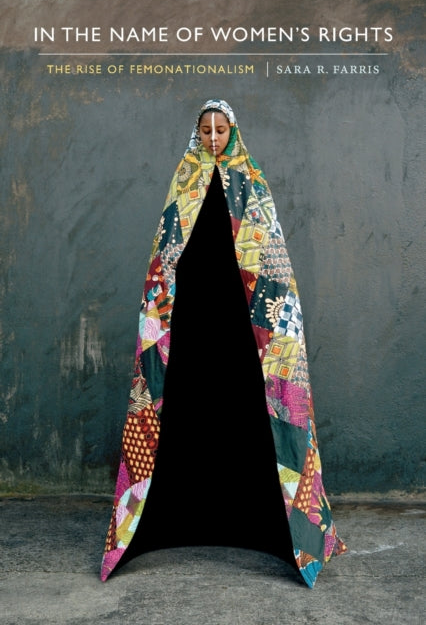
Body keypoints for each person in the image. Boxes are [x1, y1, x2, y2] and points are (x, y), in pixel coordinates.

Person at [100, 99, 346, 588]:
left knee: (260, 415)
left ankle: (292, 534)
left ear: (233, 131)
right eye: (206, 130)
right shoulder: (184, 182)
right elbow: (165, 256)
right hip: (192, 325)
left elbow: (271, 257)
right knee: (178, 412)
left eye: (221, 130)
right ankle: (158, 522)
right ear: (197, 133)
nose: (213, 139)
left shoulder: (252, 181)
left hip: (246, 327)